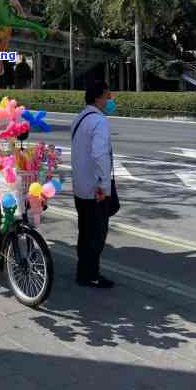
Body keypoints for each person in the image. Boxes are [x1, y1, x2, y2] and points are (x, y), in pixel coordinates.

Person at [70, 79, 117, 289]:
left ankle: (83, 271)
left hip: (80, 186)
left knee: (85, 231)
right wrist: (103, 185)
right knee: (96, 235)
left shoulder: (80, 118)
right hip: (95, 189)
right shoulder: (99, 122)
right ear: (98, 97)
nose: (111, 100)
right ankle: (91, 275)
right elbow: (99, 155)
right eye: (108, 96)